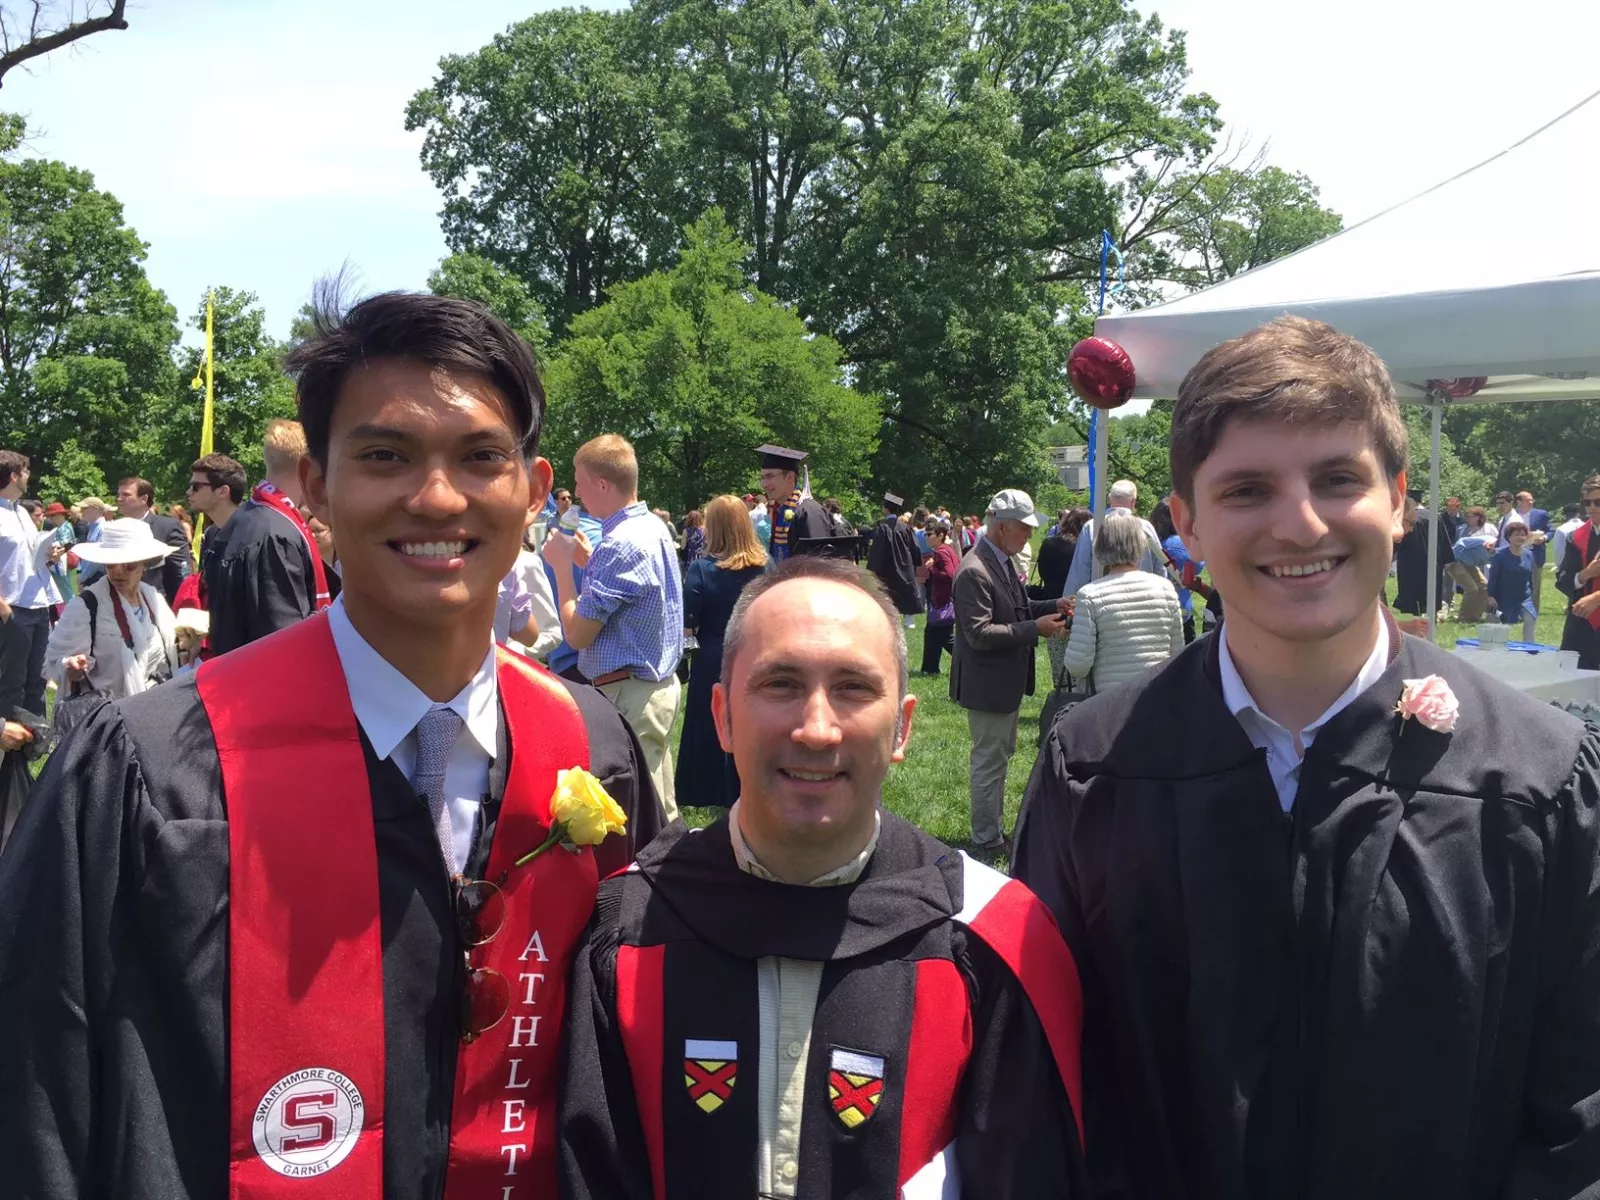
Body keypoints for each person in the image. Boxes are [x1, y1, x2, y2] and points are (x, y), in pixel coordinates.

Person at [0, 291, 663, 1200]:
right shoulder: (154, 768)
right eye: (385, 455)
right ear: (315, 485)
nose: (436, 497)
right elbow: (40, 1101)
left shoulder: (592, 751)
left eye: (480, 457)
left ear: (535, 491)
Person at [1013, 314, 1600, 1200]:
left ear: (1399, 502)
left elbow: (1576, 1119)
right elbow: (1044, 1085)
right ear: (1188, 525)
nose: (1300, 524)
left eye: (1338, 479)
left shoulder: (1537, 776)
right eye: (1247, 489)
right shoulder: (1095, 768)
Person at [559, 555, 1088, 1200]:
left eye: (854, 688)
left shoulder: (989, 942)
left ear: (903, 727)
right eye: (780, 684)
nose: (816, 728)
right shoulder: (629, 928)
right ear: (721, 717)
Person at [543, 433, 684, 820]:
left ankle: (652, 878)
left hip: (630, 694)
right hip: (653, 686)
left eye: (580, 480)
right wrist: (589, 564)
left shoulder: (619, 544)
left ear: (602, 484)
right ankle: (672, 869)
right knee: (661, 802)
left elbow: (576, 634)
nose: (575, 494)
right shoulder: (650, 527)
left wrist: (561, 569)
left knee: (639, 813)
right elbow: (635, 595)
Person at [950, 489, 1068, 855]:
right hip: (988, 685)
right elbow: (980, 633)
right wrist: (1038, 629)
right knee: (989, 762)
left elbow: (1018, 607)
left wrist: (1053, 604)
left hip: (1002, 682)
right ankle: (986, 838)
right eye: (1024, 528)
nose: (1029, 535)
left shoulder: (997, 560)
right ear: (1002, 528)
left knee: (997, 757)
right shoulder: (975, 570)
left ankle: (992, 831)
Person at [204, 419, 331, 655]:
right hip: (266, 680)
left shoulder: (241, 519)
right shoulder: (276, 536)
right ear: (308, 468)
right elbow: (285, 638)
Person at [674, 493, 767, 808]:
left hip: (714, 655)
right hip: (758, 654)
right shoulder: (769, 567)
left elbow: (688, 625)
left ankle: (706, 789)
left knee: (709, 723)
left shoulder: (702, 570)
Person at [45, 517, 179, 699]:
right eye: (110, 564)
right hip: (107, 719)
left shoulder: (153, 599)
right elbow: (54, 662)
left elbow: (172, 648)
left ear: (145, 564)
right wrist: (71, 667)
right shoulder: (85, 605)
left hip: (153, 709)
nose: (117, 571)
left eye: (128, 565)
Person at [1056, 511, 1183, 691]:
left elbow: (1078, 666)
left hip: (1106, 702)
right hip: (1154, 696)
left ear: (1101, 545)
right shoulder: (1166, 588)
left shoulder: (1090, 595)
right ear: (1141, 545)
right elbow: (1177, 652)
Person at [0, 451, 63, 715]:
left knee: (36, 679)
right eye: (26, 471)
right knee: (11, 682)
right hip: (13, 607)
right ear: (14, 476)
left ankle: (33, 740)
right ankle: (9, 746)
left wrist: (49, 557)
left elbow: (26, 560)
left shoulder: (23, 514)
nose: (29, 476)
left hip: (38, 603)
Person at [1062, 479, 1165, 597]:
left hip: (1102, 599)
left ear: (1109, 498)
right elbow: (1160, 568)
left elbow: (1080, 573)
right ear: (1133, 501)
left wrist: (1070, 603)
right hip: (1143, 597)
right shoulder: (1146, 527)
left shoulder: (1092, 527)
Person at [114, 476, 193, 604]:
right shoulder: (115, 529)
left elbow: (182, 571)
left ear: (143, 499)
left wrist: (184, 606)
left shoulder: (167, 527)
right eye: (118, 495)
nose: (119, 499)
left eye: (126, 495)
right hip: (120, 605)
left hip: (158, 604)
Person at [756, 444, 831, 562]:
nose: (764, 484)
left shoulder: (810, 514)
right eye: (762, 477)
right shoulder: (780, 512)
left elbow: (817, 565)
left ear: (790, 477)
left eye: (769, 476)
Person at [1556, 474, 1600, 670]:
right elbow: (1564, 579)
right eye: (1587, 502)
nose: (1592, 508)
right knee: (1573, 680)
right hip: (1581, 623)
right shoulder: (1576, 537)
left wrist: (1596, 598)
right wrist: (1585, 575)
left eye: (1598, 502)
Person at [865, 491, 924, 627]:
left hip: (887, 567)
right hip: (905, 564)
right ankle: (909, 621)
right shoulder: (905, 527)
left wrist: (874, 568)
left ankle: (890, 619)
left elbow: (877, 549)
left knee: (888, 592)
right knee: (907, 590)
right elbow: (914, 546)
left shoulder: (882, 527)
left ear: (886, 510)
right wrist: (915, 562)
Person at [185, 452, 247, 572]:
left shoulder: (256, 537)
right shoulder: (211, 534)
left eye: (195, 486)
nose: (188, 492)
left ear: (222, 491)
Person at [1149, 499, 1201, 643]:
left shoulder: (1151, 544)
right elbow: (1198, 565)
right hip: (1182, 605)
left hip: (1155, 607)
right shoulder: (1183, 543)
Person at [916, 517, 961, 675]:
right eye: (926, 534)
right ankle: (929, 668)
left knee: (946, 637)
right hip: (942, 599)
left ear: (941, 535)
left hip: (942, 600)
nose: (927, 537)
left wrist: (932, 568)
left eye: (930, 534)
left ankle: (968, 660)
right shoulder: (946, 550)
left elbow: (950, 575)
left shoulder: (941, 553)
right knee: (932, 634)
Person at [1485, 519, 1539, 642]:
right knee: (1504, 626)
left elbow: (1530, 576)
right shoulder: (1500, 555)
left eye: (1523, 534)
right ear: (1508, 537)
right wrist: (1490, 596)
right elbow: (1493, 577)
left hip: (1524, 597)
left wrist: (1532, 592)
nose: (1520, 537)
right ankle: (1499, 647)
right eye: (1516, 535)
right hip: (1504, 597)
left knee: (1531, 618)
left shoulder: (1529, 555)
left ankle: (1529, 647)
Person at [1445, 504, 1495, 623]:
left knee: (1484, 586)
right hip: (1454, 562)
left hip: (1469, 563)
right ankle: (1463, 617)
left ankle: (1475, 616)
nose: (1467, 519)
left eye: (1470, 516)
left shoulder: (1501, 550)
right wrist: (1450, 558)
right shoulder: (1486, 541)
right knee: (1472, 588)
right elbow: (1461, 542)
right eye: (1466, 516)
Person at [1511, 490, 1552, 609]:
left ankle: (1532, 611)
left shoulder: (1541, 514)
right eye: (1528, 500)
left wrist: (1544, 538)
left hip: (1534, 553)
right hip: (1516, 553)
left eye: (1532, 500)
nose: (1531, 502)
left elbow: (1550, 530)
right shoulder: (1513, 516)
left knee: (1534, 584)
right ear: (1519, 502)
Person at [43, 501, 76, 599]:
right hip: (59, 562)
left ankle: (73, 611)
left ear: (59, 515)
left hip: (62, 562)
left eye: (52, 515)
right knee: (62, 589)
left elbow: (66, 544)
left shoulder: (65, 528)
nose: (50, 518)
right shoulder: (60, 527)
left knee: (65, 590)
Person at [74, 495, 108, 587]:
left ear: (95, 510)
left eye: (84, 508)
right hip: (91, 577)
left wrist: (83, 578)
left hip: (97, 577)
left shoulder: (103, 529)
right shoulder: (93, 527)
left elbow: (97, 559)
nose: (81, 511)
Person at [1551, 501, 1584, 574]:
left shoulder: (1561, 529)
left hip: (1568, 568)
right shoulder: (1587, 527)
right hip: (1586, 567)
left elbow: (1559, 552)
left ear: (1566, 515)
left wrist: (1560, 567)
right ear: (1578, 513)